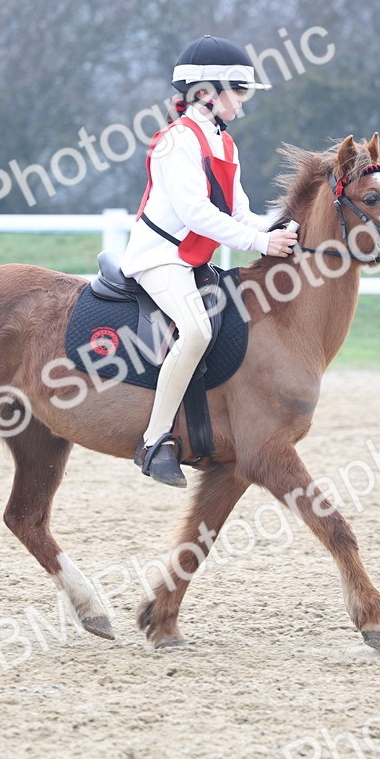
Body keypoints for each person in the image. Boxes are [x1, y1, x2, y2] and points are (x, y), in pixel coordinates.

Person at [122, 35, 298, 487]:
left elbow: (239, 212)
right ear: (206, 92)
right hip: (161, 257)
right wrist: (260, 245)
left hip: (192, 260)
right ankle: (155, 438)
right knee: (197, 330)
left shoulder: (225, 143)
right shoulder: (176, 142)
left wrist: (275, 231)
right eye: (237, 91)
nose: (242, 101)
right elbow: (196, 213)